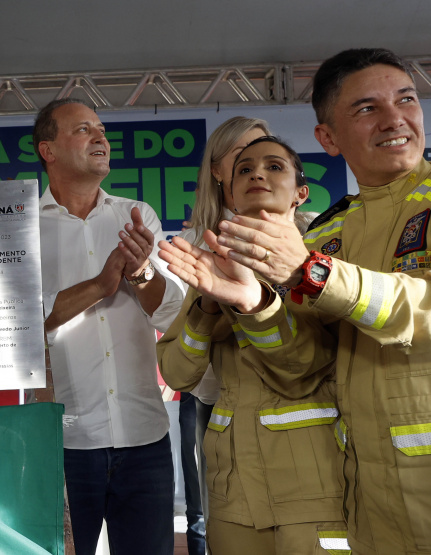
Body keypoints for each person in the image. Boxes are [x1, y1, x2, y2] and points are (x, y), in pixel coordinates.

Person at [159, 47, 431, 554]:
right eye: (366, 108)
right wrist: (249, 303)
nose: (394, 119)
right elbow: (305, 361)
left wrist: (311, 272)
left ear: (300, 189)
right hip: (361, 488)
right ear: (328, 138)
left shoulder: (321, 247)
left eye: (406, 99)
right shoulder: (331, 232)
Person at [158, 135, 344, 554]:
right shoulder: (211, 265)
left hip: (317, 484)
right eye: (244, 169)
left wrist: (252, 302)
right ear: (229, 193)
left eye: (274, 166)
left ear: (301, 193)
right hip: (231, 492)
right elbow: (177, 373)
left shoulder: (327, 260)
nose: (257, 173)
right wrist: (206, 306)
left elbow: (303, 369)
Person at [33, 98, 184, 555]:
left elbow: (170, 312)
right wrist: (101, 284)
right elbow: (20, 321)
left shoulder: (136, 216)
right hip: (63, 439)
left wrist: (141, 275)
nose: (101, 138)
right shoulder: (23, 226)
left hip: (144, 437)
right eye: (83, 130)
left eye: (101, 128)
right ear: (49, 150)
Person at [179, 115, 273, 554]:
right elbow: (179, 355)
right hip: (218, 403)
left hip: (298, 402)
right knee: (216, 518)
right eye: (242, 155)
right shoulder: (192, 245)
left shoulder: (308, 233)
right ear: (217, 170)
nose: (256, 166)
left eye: (268, 154)